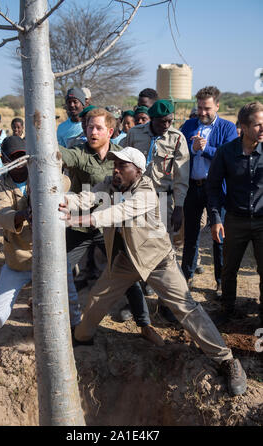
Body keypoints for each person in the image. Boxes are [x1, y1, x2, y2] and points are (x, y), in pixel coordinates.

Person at [59, 146, 247, 397]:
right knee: (95, 300)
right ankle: (81, 338)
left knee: (186, 308)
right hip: (125, 260)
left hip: (157, 261)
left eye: (122, 167)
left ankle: (226, 360)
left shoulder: (147, 192)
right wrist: (64, 200)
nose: (116, 170)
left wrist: (80, 220)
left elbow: (117, 212)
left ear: (137, 171)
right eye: (115, 165)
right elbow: (87, 198)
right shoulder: (110, 184)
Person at [0, 136, 80, 380]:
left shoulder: (40, 174)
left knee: (70, 302)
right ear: (3, 160)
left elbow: (65, 182)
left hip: (52, 256)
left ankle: (74, 344)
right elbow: (0, 214)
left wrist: (51, 172)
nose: (19, 162)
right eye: (14, 157)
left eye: (23, 156)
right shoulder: (0, 185)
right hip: (19, 259)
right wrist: (23, 214)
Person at [59, 108, 162, 345]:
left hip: (111, 228)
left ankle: (144, 324)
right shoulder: (79, 152)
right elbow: (64, 156)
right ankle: (74, 323)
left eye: (98, 128)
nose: (92, 132)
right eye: (89, 127)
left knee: (127, 275)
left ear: (110, 131)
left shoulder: (122, 156)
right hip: (80, 226)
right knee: (61, 269)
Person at [121, 100, 189, 317]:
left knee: (164, 252)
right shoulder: (135, 134)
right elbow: (123, 162)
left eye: (170, 120)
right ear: (152, 119)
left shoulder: (177, 138)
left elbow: (181, 175)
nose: (167, 124)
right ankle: (135, 302)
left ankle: (166, 304)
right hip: (135, 200)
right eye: (162, 121)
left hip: (161, 201)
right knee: (135, 249)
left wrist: (179, 206)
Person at [207, 102, 263, 325]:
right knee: (229, 269)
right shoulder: (226, 152)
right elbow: (212, 187)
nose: (262, 129)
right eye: (258, 125)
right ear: (243, 126)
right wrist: (215, 219)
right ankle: (227, 308)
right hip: (234, 220)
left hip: (262, 221)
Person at [180, 86, 238, 295]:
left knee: (219, 236)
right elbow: (177, 152)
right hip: (192, 188)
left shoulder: (228, 127)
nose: (202, 113)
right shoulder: (188, 125)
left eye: (207, 108)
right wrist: (190, 148)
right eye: (200, 108)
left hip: (217, 189)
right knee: (191, 236)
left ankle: (221, 281)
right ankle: (186, 277)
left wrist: (206, 149)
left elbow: (231, 157)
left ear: (217, 106)